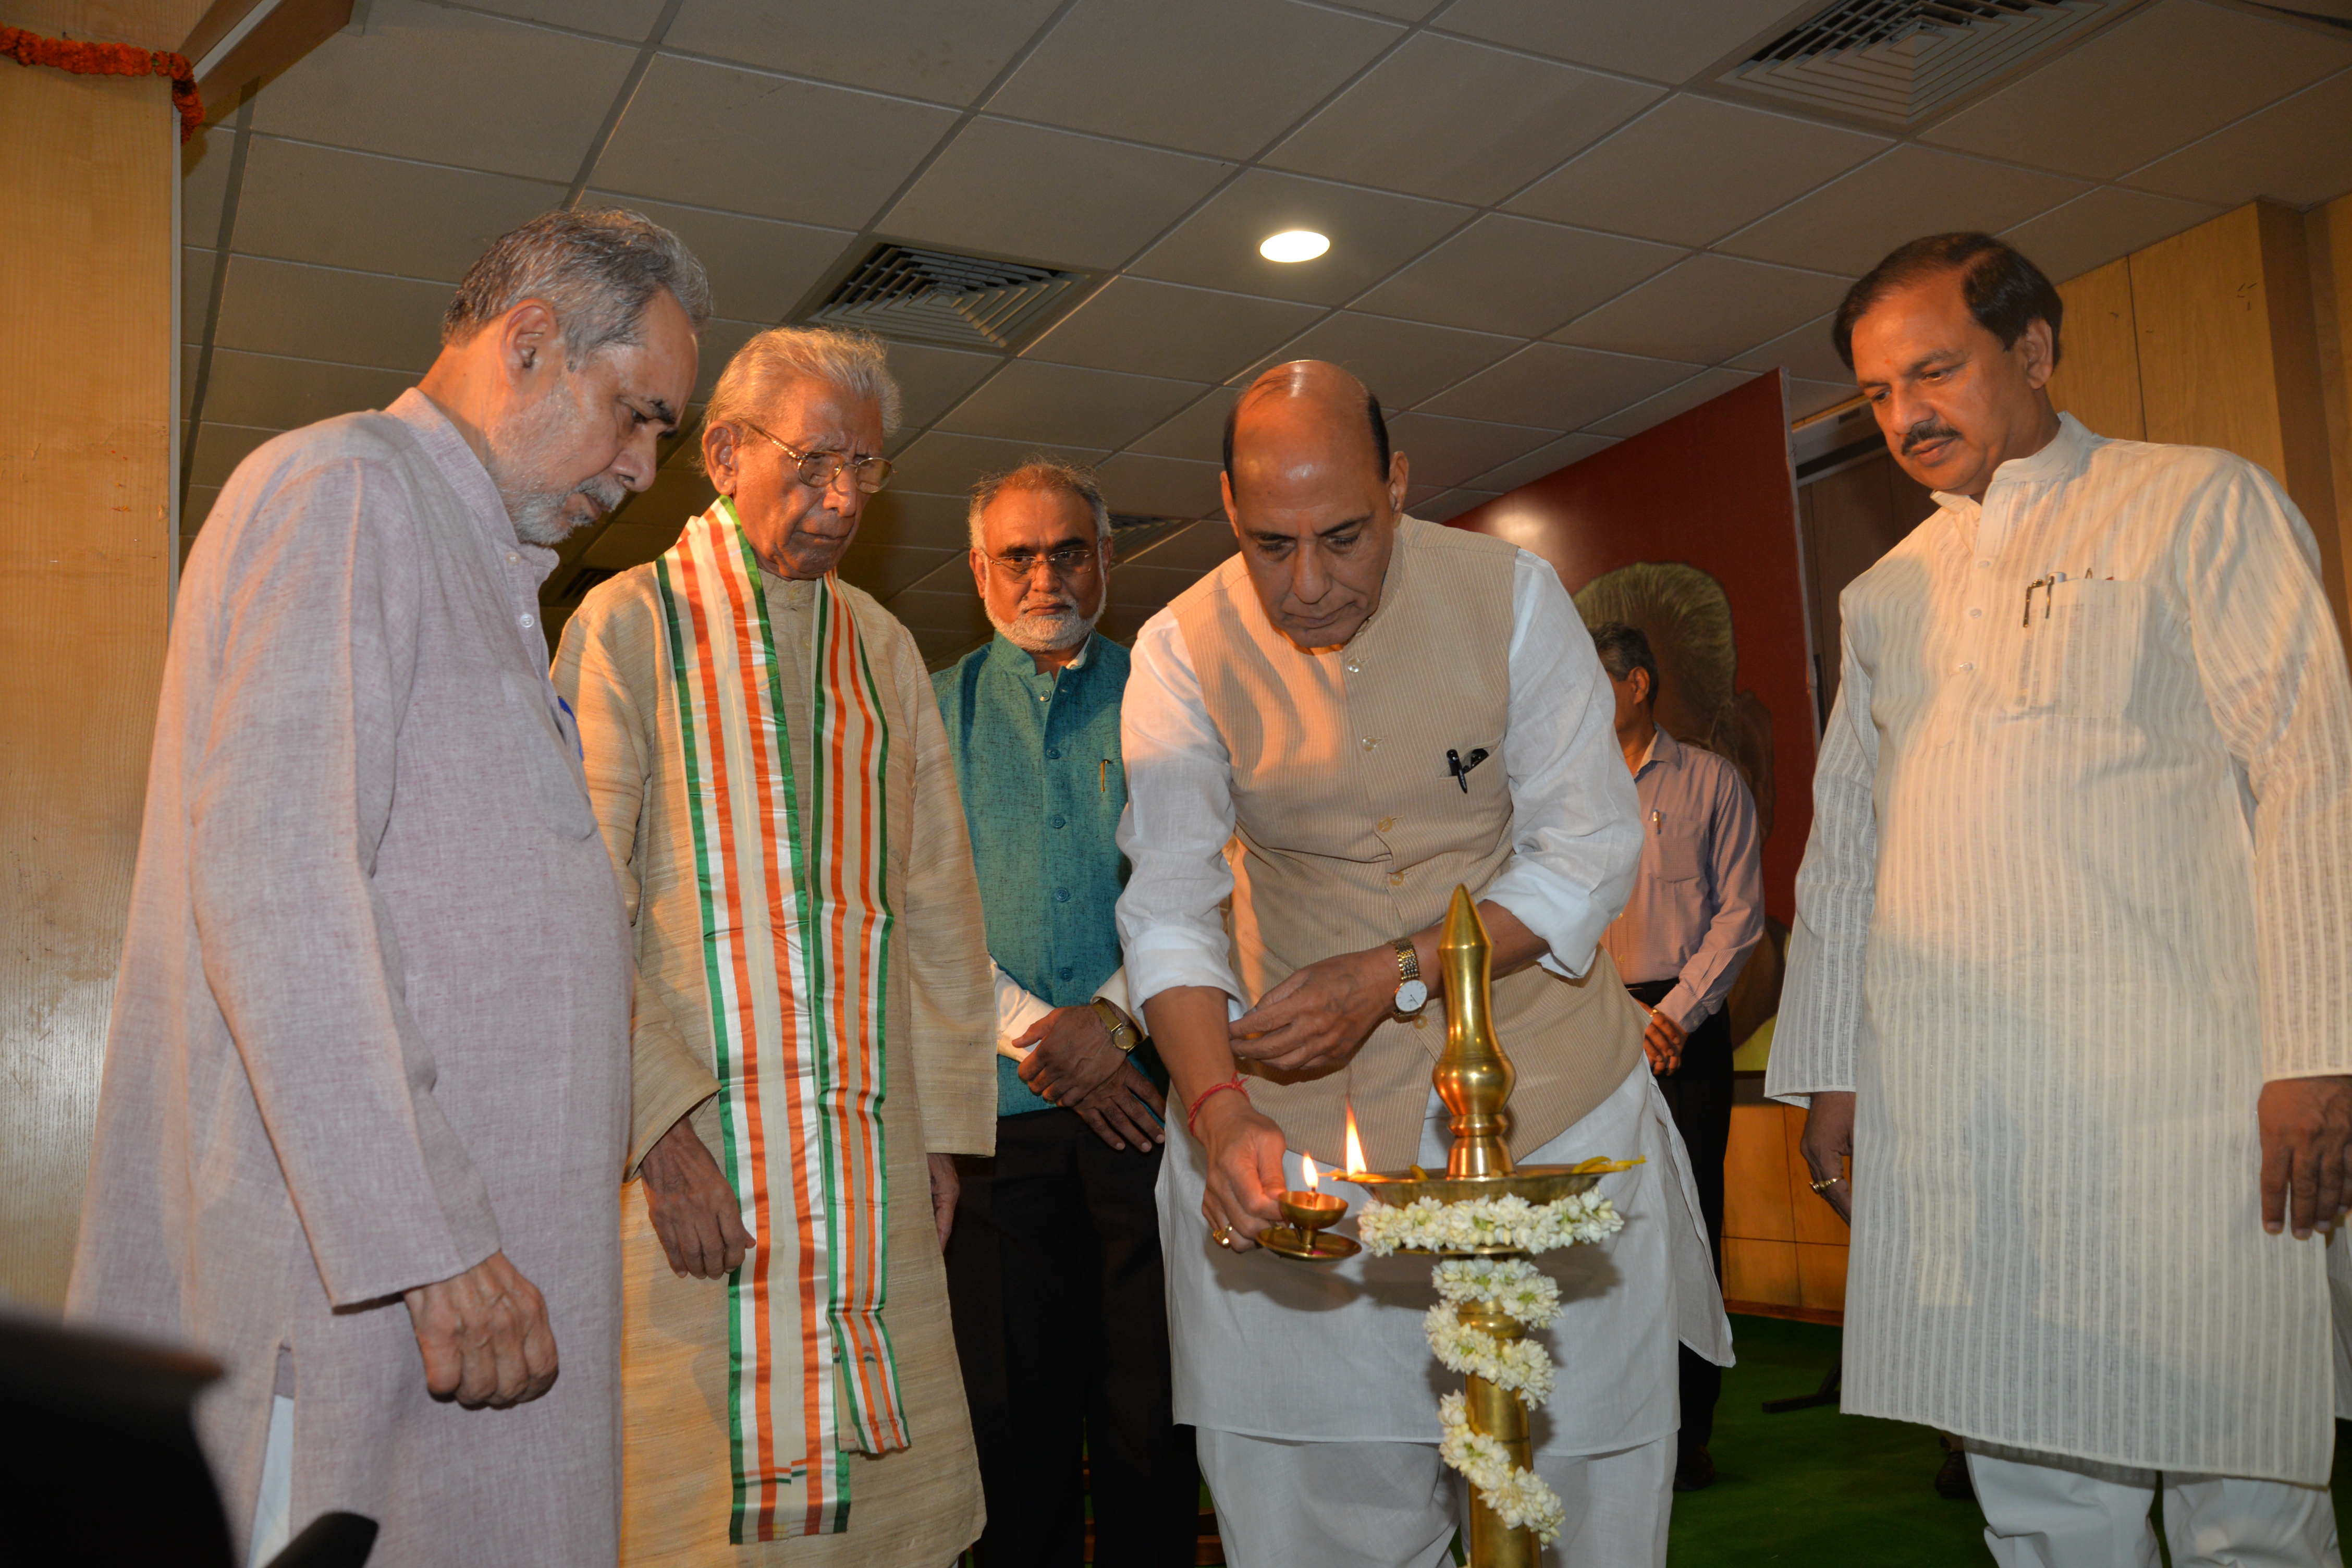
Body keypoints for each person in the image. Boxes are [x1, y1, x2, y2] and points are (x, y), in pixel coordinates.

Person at [67, 207, 710, 1565]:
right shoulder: (353, 487)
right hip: (369, 1302)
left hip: (453, 1302)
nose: (646, 469)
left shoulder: (478, 562)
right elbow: (282, 876)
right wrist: (430, 1240)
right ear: (531, 341)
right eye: (638, 416)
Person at [1770, 231, 2352, 1566]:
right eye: (1876, 394)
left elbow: (2315, 766)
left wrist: (2319, 1054)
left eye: (1935, 372)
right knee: (2034, 1497)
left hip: (2191, 1101)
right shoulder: (1884, 594)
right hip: (1968, 1113)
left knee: (2243, 1487)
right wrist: (1833, 1075)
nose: (1906, 415)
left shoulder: (2196, 502)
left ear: (2032, 352)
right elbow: (1849, 851)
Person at [1116, 360, 1731, 1568]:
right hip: (1300, 1146)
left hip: (1551, 1111)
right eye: (1271, 544)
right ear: (1228, 508)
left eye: (1344, 537)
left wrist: (1389, 976)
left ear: (1398, 483)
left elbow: (1589, 848)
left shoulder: (1512, 594)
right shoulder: (1178, 647)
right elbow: (1171, 907)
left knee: (1576, 1506)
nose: (1308, 585)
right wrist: (1219, 1105)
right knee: (1322, 1520)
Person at [554, 325, 997, 1565]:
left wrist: (943, 1134)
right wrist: (658, 1126)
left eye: (867, 467)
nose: (844, 498)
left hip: (868, 1180)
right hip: (692, 1177)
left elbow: (940, 911)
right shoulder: (624, 628)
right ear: (726, 453)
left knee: (890, 1522)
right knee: (690, 1518)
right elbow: (578, 904)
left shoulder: (885, 652)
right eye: (813, 464)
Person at [935, 459, 1199, 1568]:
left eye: (1070, 549)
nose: (1046, 572)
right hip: (996, 1128)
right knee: (1013, 1427)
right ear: (980, 569)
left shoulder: (1169, 699)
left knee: (1153, 1415)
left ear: (1107, 558)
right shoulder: (926, 707)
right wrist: (1049, 1035)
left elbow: (1205, 881)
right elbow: (914, 902)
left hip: (1149, 1108)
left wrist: (1113, 1023)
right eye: (1019, 554)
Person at [1591, 620, 1764, 1494]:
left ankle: (1690, 1431)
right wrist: (1609, 1018)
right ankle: (1623, 1417)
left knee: (1690, 1221)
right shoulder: (1570, 787)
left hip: (1684, 1034)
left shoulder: (1710, 781)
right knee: (1610, 1220)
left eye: (1599, 682)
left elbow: (1740, 916)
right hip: (1592, 1029)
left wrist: (1673, 1014)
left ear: (1638, 685)